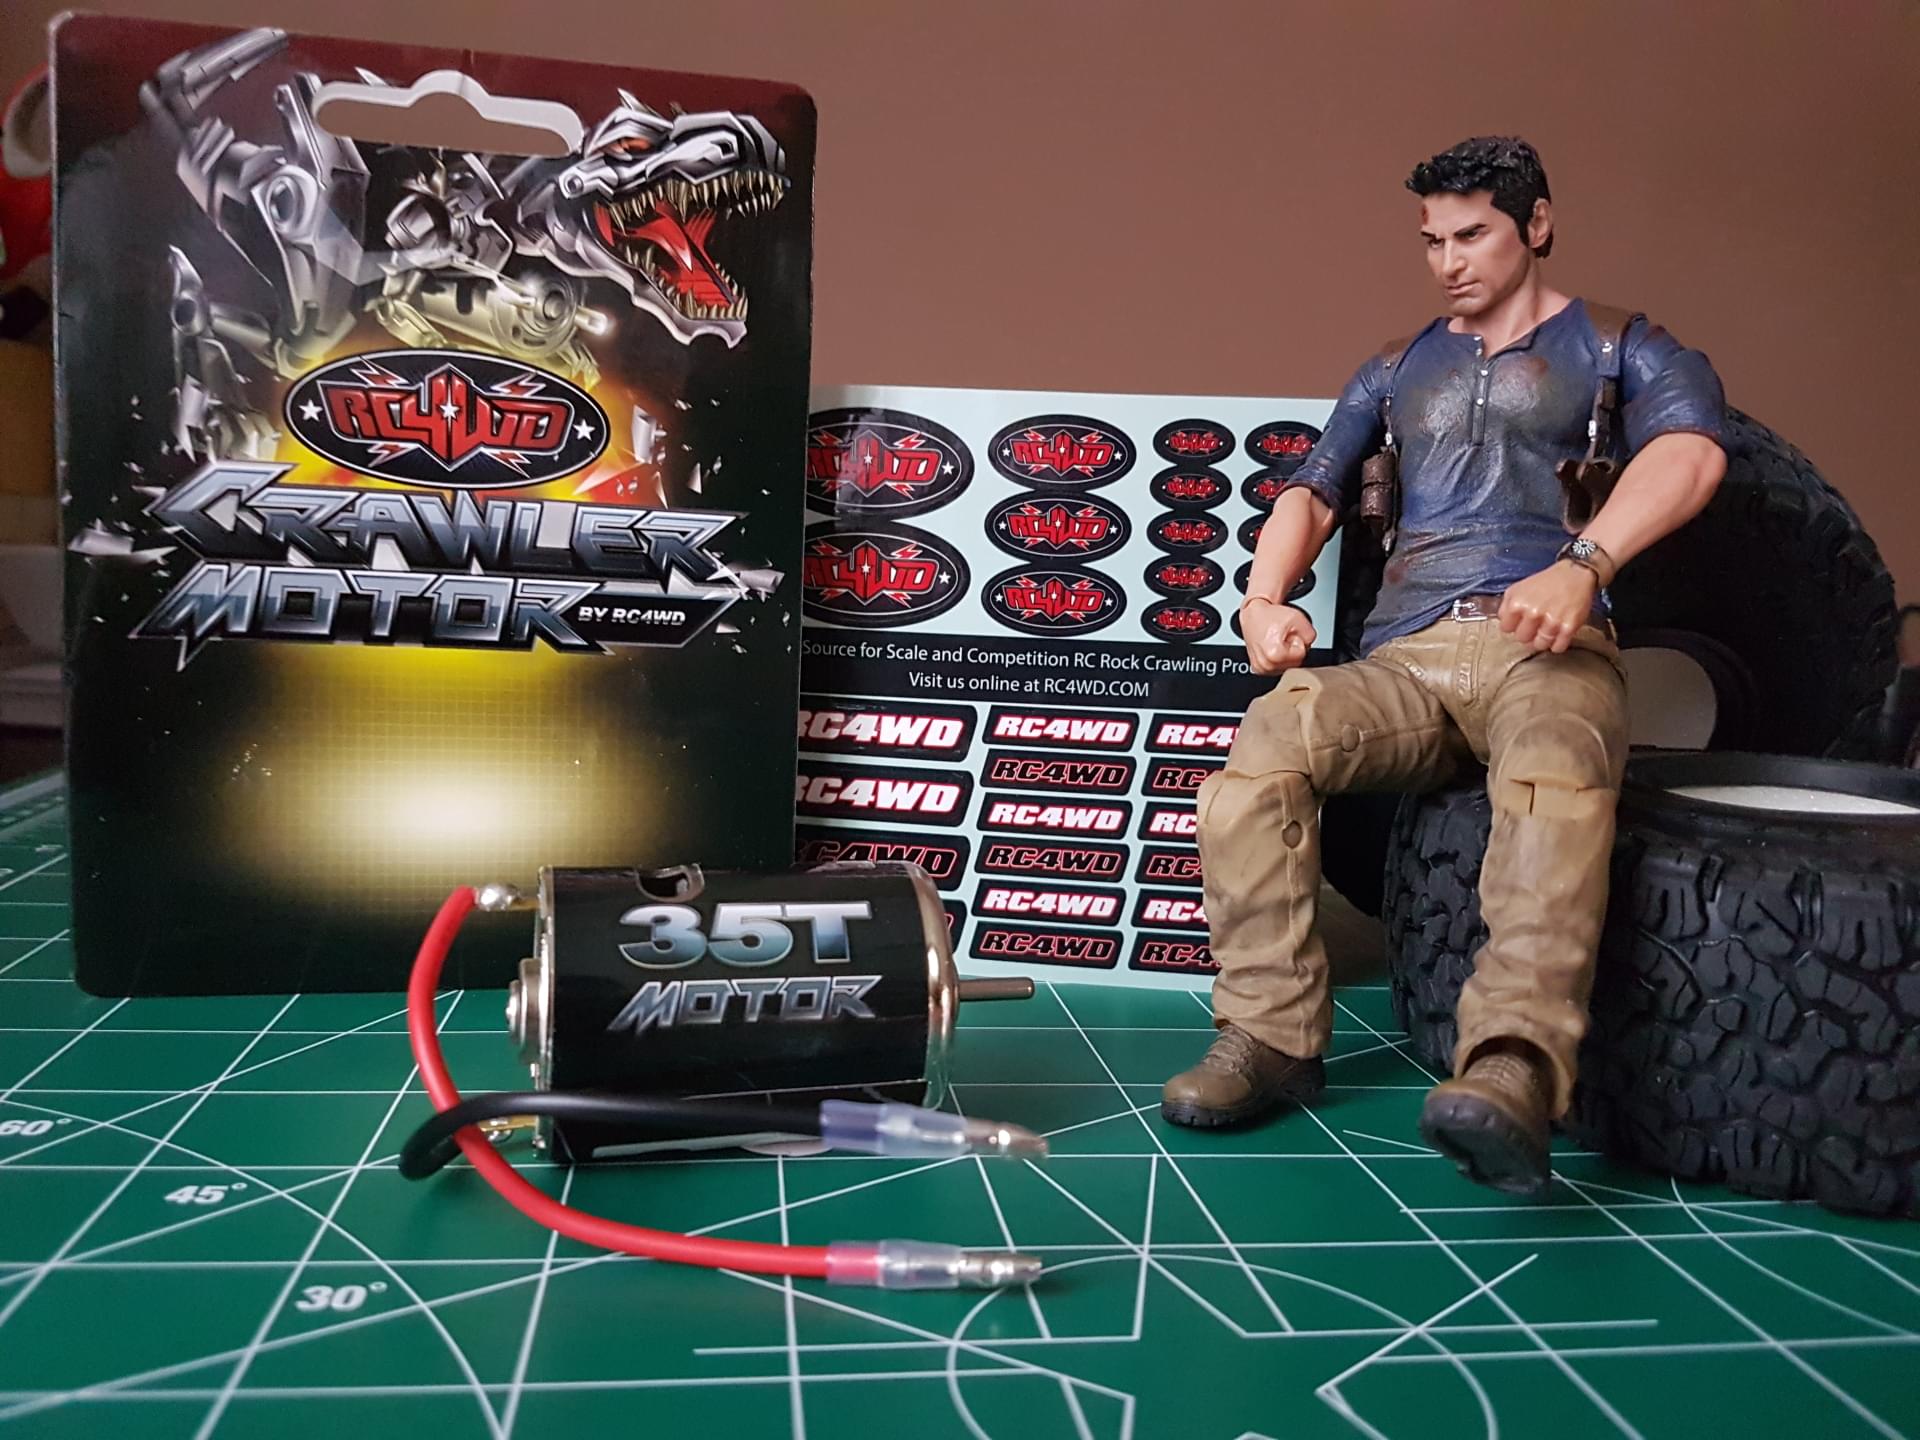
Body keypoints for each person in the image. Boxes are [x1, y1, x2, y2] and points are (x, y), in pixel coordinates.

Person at [1161, 136, 1729, 1197]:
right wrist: (1263, 599)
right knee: (1271, 738)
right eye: (1433, 240)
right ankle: (1269, 1033)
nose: (1449, 261)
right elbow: (1313, 490)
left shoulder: (1620, 346)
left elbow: (1692, 453)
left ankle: (1513, 1063)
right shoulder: (1396, 366)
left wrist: (1585, 565)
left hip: (1544, 647)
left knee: (1556, 770)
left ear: (1537, 225)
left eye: (1473, 234)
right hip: (1409, 663)